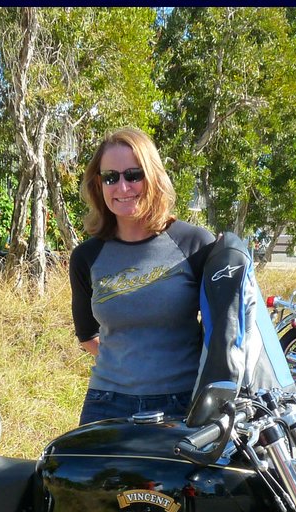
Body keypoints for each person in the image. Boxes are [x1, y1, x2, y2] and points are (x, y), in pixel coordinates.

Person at [69, 127, 216, 425]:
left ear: (153, 177)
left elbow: (222, 332)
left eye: (134, 175)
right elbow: (87, 335)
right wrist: (128, 370)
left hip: (181, 404)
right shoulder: (86, 256)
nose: (122, 187)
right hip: (106, 403)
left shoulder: (195, 244)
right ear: (98, 184)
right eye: (110, 177)